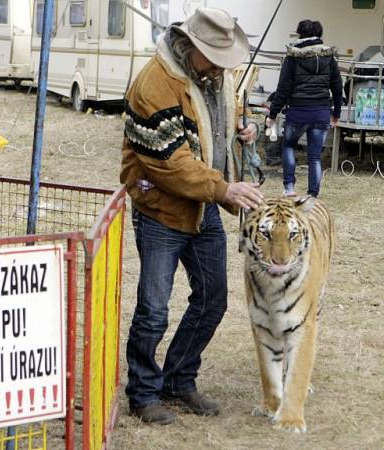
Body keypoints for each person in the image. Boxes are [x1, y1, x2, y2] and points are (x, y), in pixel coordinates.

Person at [119, 7, 263, 426]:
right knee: (153, 309)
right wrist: (224, 189)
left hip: (203, 207)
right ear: (190, 48)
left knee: (212, 299)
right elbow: (171, 162)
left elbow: (223, 119)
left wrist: (243, 130)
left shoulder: (215, 77)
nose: (222, 67)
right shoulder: (154, 83)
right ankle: (143, 394)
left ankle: (179, 381)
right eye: (214, 57)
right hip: (160, 209)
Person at [265, 19, 343, 197]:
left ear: (300, 34)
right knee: (314, 157)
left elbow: (283, 88)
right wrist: (336, 113)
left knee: (289, 146)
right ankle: (312, 195)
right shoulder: (329, 57)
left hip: (297, 113)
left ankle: (290, 188)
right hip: (321, 112)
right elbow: (337, 87)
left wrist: (273, 114)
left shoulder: (293, 57)